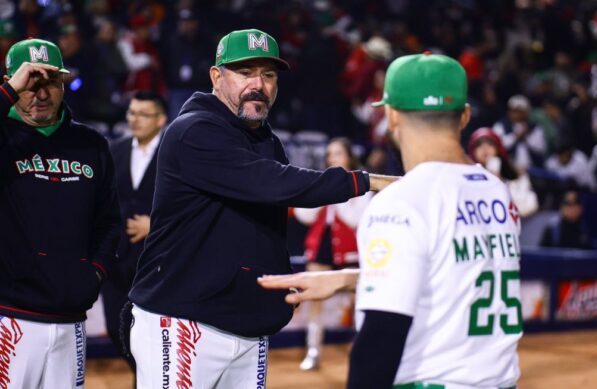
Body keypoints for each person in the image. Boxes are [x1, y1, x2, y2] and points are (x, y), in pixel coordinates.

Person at [127, 28, 395, 389]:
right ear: (216, 77)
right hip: (184, 320)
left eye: (268, 75)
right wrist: (366, 181)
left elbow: (265, 223)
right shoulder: (193, 131)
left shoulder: (266, 141)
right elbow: (272, 183)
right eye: (245, 72)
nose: (259, 84)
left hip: (247, 326)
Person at [261, 53, 523, 389]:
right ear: (465, 116)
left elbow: (381, 338)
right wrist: (347, 279)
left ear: (392, 116)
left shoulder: (401, 201)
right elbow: (451, 276)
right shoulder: (497, 191)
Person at [0, 38, 120, 388]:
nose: (40, 93)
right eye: (30, 83)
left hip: (70, 319)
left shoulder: (91, 144)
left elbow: (109, 222)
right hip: (9, 317)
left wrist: (94, 274)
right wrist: (9, 90)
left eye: (50, 82)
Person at [102, 91, 167, 375]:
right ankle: (144, 377)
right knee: (115, 328)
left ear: (161, 119)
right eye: (131, 113)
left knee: (152, 334)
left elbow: (190, 202)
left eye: (143, 114)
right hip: (116, 258)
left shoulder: (174, 153)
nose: (135, 119)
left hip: (157, 261)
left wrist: (156, 224)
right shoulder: (114, 150)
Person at [294, 137, 373, 370]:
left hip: (349, 250)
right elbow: (304, 216)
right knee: (314, 297)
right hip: (322, 245)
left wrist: (338, 192)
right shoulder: (321, 180)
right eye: (330, 154)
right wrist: (320, 191)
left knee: (358, 300)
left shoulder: (362, 182)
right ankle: (314, 350)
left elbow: (356, 220)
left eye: (338, 153)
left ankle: (362, 350)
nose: (332, 158)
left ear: (348, 156)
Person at [469, 127, 539, 217]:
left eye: (490, 144)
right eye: (479, 145)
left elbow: (528, 207)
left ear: (498, 148)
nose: (485, 148)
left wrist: (497, 179)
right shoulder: (468, 174)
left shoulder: (514, 174)